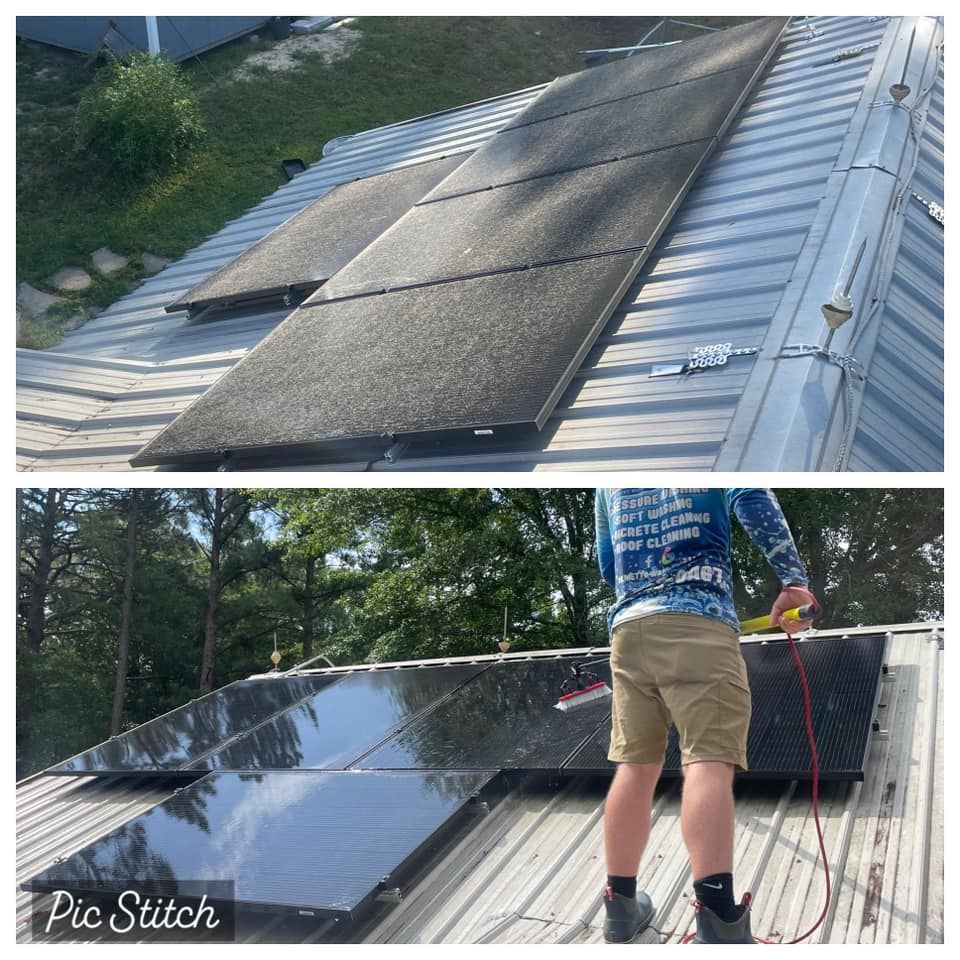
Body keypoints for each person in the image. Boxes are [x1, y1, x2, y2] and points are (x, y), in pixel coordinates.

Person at [594, 488, 815, 944]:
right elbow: (752, 497)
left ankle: (620, 909)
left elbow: (607, 562)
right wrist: (792, 581)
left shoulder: (606, 481)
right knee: (708, 761)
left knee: (634, 767)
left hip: (629, 629)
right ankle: (718, 918)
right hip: (699, 622)